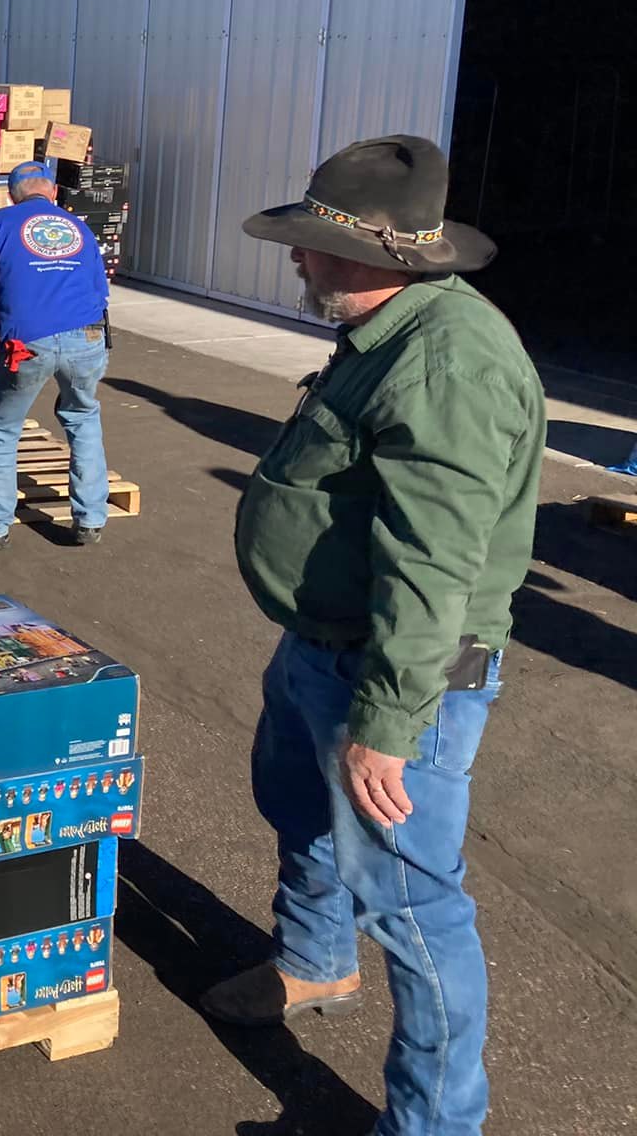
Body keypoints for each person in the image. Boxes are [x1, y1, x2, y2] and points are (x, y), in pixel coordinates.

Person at [201, 135, 543, 1136]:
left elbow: (434, 563)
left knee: (411, 906)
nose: (295, 258)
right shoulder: (384, 330)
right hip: (323, 644)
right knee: (296, 807)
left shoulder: (444, 361)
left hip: (395, 675)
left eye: (309, 244)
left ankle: (434, 1123)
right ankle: (311, 960)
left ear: (380, 259)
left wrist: (387, 720)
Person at [0, 160, 111, 549]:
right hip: (89, 337)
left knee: (2, 429)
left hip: (25, 344)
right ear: (53, 192)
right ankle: (91, 519)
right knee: (82, 417)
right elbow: (100, 292)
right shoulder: (80, 228)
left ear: (12, 195)